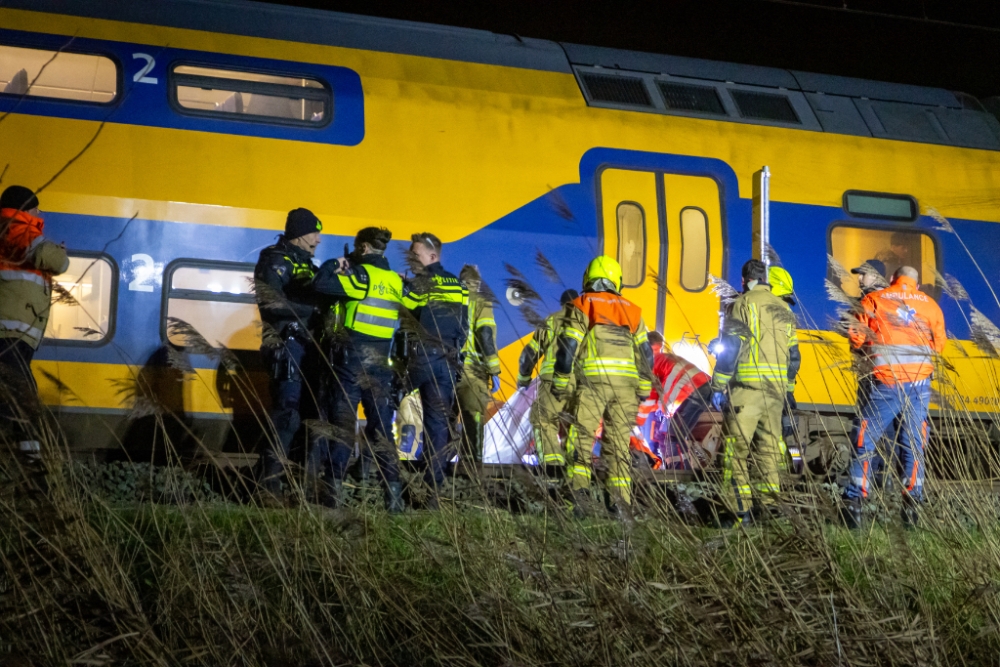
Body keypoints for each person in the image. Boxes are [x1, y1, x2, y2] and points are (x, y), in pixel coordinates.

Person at [842, 265, 945, 529]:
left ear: (891, 280)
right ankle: (912, 507)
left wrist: (869, 349)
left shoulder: (874, 299)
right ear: (916, 284)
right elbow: (939, 345)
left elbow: (855, 337)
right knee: (913, 444)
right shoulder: (931, 305)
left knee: (865, 439)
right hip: (920, 383)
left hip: (886, 381)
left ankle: (855, 505)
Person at [552, 256, 654, 521]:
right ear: (616, 280)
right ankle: (620, 506)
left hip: (593, 383)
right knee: (619, 446)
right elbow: (646, 353)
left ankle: (578, 500)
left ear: (588, 278)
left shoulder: (583, 304)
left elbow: (568, 347)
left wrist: (561, 382)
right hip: (626, 389)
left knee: (581, 440)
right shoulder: (633, 310)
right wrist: (644, 387)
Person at [312, 227, 405, 512]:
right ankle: (394, 497)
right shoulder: (395, 281)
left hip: (352, 359)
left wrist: (335, 264)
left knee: (342, 424)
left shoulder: (361, 276)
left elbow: (321, 285)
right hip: (380, 361)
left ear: (363, 248)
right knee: (381, 431)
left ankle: (333, 492)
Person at [710, 260, 800, 525]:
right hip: (775, 394)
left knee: (734, 450)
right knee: (769, 450)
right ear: (766, 280)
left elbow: (732, 346)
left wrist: (717, 385)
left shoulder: (742, 303)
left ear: (744, 280)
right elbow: (794, 357)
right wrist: (789, 390)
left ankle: (738, 510)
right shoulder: (784, 308)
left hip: (746, 391)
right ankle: (769, 508)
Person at [253, 208, 322, 502]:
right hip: (287, 344)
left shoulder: (309, 265)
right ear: (300, 233)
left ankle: (301, 487)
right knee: (288, 415)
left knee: (311, 417)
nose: (318, 240)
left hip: (308, 348)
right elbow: (270, 303)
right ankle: (268, 487)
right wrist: (314, 311)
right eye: (314, 233)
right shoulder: (275, 260)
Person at [400, 233, 469, 505]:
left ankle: (385, 477)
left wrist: (404, 287)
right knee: (438, 425)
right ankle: (432, 490)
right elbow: (464, 327)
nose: (412, 260)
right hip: (448, 360)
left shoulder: (420, 283)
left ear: (432, 256)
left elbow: (407, 310)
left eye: (415, 255)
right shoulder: (459, 286)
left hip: (421, 358)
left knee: (383, 404)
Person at [0, 185, 69, 454]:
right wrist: (55, 251)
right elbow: (57, 261)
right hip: (10, 333)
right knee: (24, 399)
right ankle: (33, 469)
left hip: (14, 333)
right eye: (36, 208)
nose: (40, 213)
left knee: (17, 398)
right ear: (25, 209)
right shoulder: (17, 228)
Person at [517, 288, 578, 478]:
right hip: (583, 384)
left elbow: (529, 354)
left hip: (553, 380)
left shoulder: (553, 320)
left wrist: (524, 378)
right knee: (576, 424)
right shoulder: (589, 322)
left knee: (543, 419)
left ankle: (553, 469)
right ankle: (574, 468)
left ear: (562, 304)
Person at [638, 331, 711, 468]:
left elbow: (652, 394)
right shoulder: (667, 358)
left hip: (690, 391)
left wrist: (639, 418)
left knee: (670, 436)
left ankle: (678, 474)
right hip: (703, 389)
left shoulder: (652, 361)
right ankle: (682, 471)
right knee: (674, 434)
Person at [456, 264, 500, 462]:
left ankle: (440, 466)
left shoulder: (450, 302)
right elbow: (485, 334)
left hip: (447, 369)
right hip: (472, 371)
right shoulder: (482, 302)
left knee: (445, 417)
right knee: (473, 416)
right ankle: (472, 464)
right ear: (478, 283)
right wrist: (494, 369)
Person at [767, 266, 804, 473]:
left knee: (775, 431)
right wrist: (789, 387)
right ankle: (796, 466)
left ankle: (781, 468)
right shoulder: (787, 314)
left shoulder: (757, 309)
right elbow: (794, 356)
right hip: (783, 385)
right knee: (789, 431)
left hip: (765, 384)